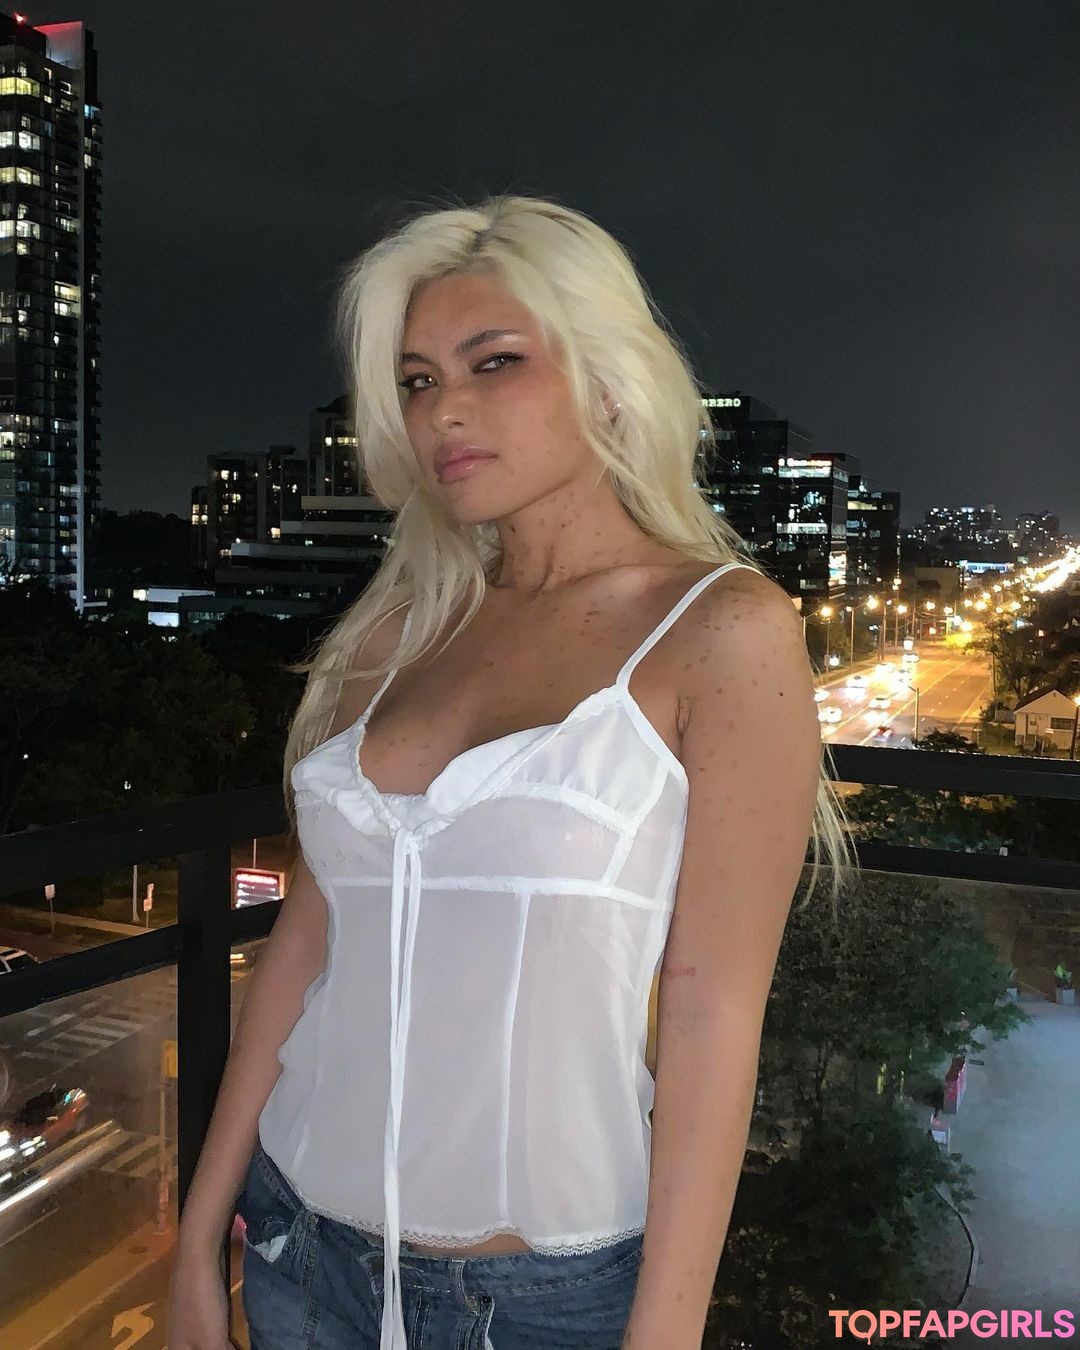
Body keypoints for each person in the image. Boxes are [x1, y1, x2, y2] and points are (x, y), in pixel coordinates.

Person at [166, 192, 857, 1350]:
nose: (444, 410)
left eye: (495, 362)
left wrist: (664, 1336)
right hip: (298, 1250)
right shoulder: (391, 636)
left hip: (536, 1301)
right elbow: (303, 950)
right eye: (418, 379)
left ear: (607, 378)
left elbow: (712, 1015)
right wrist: (200, 1238)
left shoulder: (719, 631)